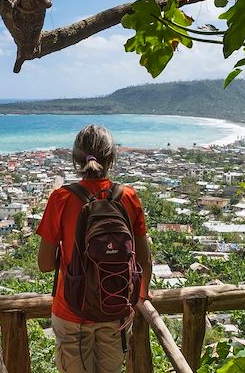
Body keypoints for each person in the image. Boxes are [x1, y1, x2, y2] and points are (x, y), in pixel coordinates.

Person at [36, 125, 152, 373]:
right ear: (111, 158)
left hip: (72, 309)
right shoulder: (128, 196)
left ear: (76, 159)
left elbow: (44, 264)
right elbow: (144, 258)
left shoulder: (61, 199)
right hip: (115, 305)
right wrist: (139, 298)